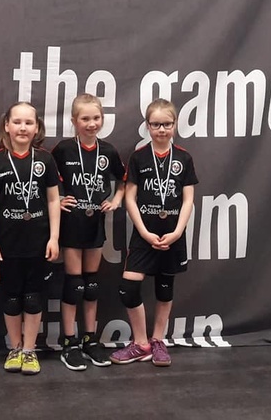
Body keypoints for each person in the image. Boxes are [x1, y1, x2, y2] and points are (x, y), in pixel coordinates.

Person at [111, 98, 198, 367]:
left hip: (173, 235)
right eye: (156, 124)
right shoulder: (138, 157)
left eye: (167, 124)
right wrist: (144, 232)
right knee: (128, 288)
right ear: (147, 126)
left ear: (175, 125)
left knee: (164, 287)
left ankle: (158, 340)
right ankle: (141, 343)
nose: (161, 129)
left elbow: (188, 200)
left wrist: (178, 232)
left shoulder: (183, 158)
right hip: (144, 234)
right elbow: (130, 198)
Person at [0, 102, 60, 375]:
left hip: (38, 242)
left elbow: (53, 200)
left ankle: (29, 350)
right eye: (17, 122)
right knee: (11, 299)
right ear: (6, 125)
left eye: (29, 122)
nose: (23, 128)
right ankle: (15, 348)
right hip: (7, 244)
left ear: (37, 127)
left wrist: (54, 237)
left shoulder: (45, 160)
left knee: (33, 298)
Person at [52, 94, 125, 371]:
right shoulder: (64, 149)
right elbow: (47, 181)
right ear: (74, 121)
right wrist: (58, 200)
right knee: (74, 284)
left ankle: (90, 339)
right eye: (85, 118)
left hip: (96, 224)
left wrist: (116, 200)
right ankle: (69, 342)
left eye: (96, 118)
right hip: (72, 224)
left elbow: (124, 180)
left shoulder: (108, 151)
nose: (91, 123)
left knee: (92, 284)